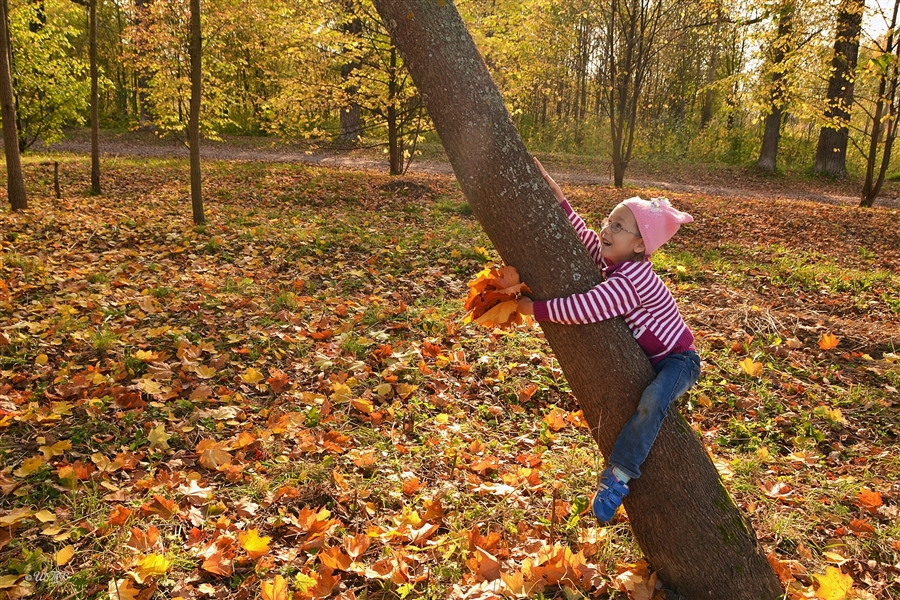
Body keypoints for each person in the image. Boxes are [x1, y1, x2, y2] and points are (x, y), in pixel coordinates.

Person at [517, 158, 701, 523]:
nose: (607, 228)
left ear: (638, 246)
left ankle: (618, 476)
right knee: (644, 399)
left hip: (679, 361)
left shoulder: (631, 281)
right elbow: (586, 239)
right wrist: (560, 202)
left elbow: (584, 308)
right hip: (658, 358)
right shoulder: (616, 263)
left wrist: (535, 309)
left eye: (619, 226)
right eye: (609, 221)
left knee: (651, 403)